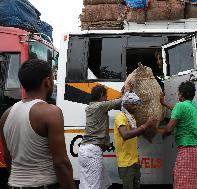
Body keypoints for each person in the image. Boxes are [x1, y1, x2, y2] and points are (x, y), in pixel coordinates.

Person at [0, 59, 76, 189]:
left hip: (14, 184)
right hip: (44, 184)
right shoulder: (50, 112)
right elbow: (61, 162)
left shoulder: (6, 115)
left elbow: (8, 157)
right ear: (47, 81)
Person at [161, 81, 197, 189]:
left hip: (188, 150)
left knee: (182, 183)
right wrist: (164, 104)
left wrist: (163, 134)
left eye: (178, 93)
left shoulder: (180, 106)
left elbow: (169, 129)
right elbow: (178, 109)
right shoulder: (193, 106)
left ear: (181, 94)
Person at [78, 85, 123, 189]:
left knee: (100, 182)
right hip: (92, 152)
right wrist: (127, 91)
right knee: (94, 186)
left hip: (85, 151)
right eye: (106, 96)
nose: (106, 98)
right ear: (101, 95)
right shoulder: (100, 106)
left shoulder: (91, 107)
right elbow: (118, 102)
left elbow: (115, 104)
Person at [114, 92, 156, 189]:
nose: (135, 107)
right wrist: (145, 126)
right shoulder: (121, 117)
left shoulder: (131, 118)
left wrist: (148, 127)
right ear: (126, 104)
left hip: (134, 161)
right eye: (133, 104)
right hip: (126, 163)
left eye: (136, 104)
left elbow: (135, 133)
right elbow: (125, 135)